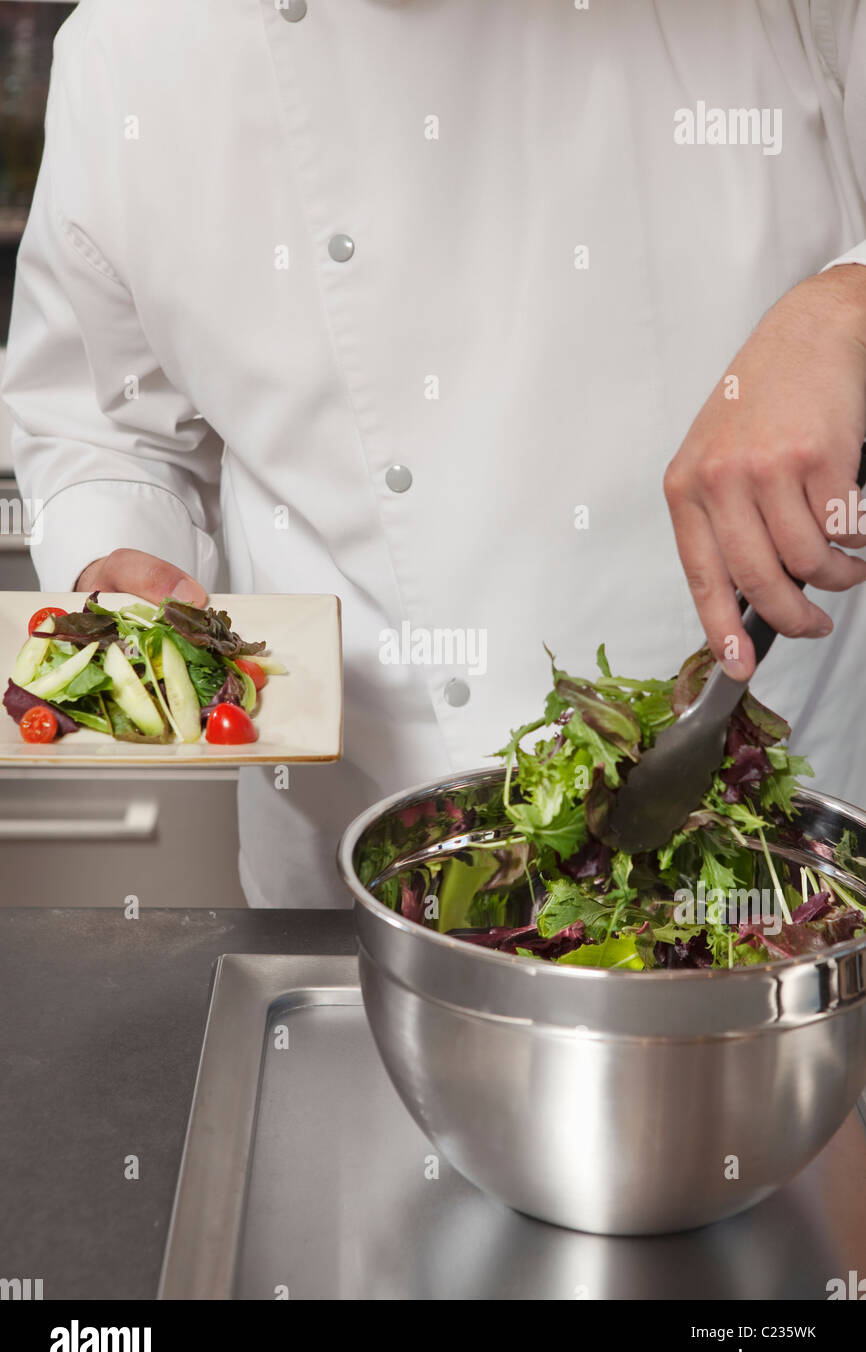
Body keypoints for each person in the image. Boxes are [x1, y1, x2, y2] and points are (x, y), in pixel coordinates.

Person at [4, 0, 866, 908]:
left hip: (776, 847)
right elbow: (107, 425)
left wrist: (846, 309)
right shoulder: (131, 47)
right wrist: (125, 554)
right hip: (361, 870)